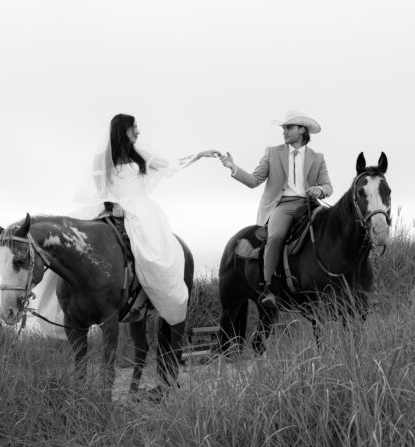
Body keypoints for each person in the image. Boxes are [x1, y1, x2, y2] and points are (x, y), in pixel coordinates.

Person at [35, 113, 218, 336]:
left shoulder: (140, 154)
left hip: (141, 210)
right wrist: (112, 204)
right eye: (134, 127)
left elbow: (172, 163)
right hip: (114, 207)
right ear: (123, 130)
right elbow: (100, 189)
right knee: (77, 248)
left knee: (153, 253)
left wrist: (199, 155)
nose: (138, 132)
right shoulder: (102, 159)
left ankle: (151, 297)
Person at [219, 110, 333, 306]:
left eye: (289, 127)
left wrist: (319, 190)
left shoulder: (317, 157)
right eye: (284, 128)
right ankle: (269, 288)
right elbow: (255, 180)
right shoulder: (273, 152)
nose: (284, 131)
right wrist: (233, 167)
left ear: (302, 130)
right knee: (276, 235)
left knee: (333, 229)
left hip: (309, 204)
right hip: (284, 206)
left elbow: (328, 187)